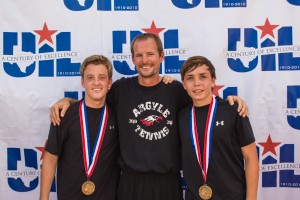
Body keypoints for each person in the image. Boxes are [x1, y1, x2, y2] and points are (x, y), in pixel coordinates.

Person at [49, 33, 249, 200]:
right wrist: (68, 102)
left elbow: (204, 102)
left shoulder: (176, 90)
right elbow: (94, 98)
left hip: (168, 183)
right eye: (139, 55)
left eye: (150, 54)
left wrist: (230, 100)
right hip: (129, 183)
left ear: (161, 57)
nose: (145, 60)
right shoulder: (120, 89)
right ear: (133, 59)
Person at [178, 56, 258, 200]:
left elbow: (251, 158)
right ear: (184, 84)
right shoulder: (181, 116)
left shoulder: (234, 111)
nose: (197, 83)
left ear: (213, 81)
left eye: (203, 77)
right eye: (190, 78)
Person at [40, 55, 120, 200]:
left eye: (101, 77)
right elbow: (50, 159)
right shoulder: (64, 114)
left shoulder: (118, 115)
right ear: (83, 82)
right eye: (90, 78)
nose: (96, 82)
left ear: (109, 82)